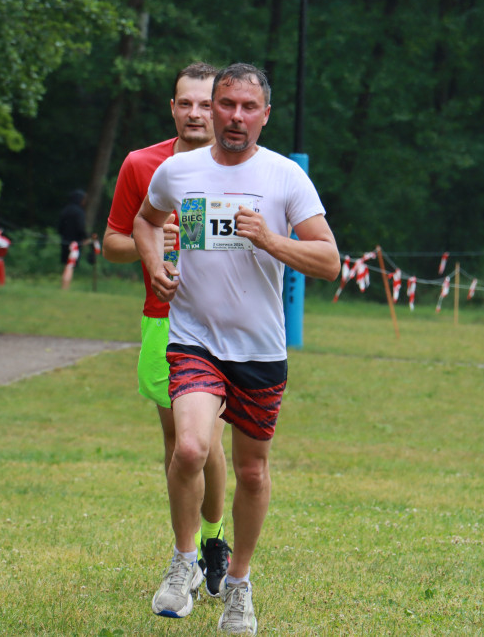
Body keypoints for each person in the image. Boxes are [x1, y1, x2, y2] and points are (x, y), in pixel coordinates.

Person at [133, 63, 340, 635]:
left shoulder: (284, 179)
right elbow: (144, 222)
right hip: (194, 337)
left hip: (258, 347)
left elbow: (329, 260)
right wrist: (157, 267)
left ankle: (240, 586)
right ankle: (183, 562)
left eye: (249, 108)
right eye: (226, 104)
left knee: (251, 472)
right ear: (213, 106)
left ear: (265, 115)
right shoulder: (179, 171)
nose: (235, 117)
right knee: (193, 449)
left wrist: (270, 239)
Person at [101, 63, 235, 598]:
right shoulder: (142, 164)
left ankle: (211, 542)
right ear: (172, 107)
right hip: (163, 319)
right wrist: (155, 239)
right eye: (187, 103)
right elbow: (112, 242)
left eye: (207, 104)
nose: (197, 114)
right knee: (179, 444)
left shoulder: (237, 165)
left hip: (222, 326)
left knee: (204, 443)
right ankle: (188, 551)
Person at [57, 189, 89, 289]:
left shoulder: (65, 210)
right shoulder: (79, 212)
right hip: (75, 243)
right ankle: (65, 287)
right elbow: (80, 228)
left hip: (64, 241)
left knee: (67, 264)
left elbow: (59, 227)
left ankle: (64, 286)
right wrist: (85, 238)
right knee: (70, 265)